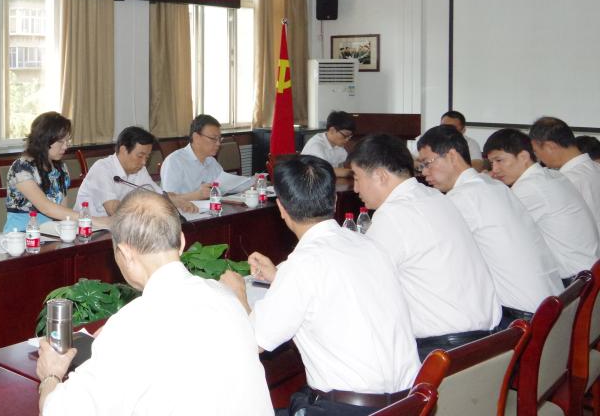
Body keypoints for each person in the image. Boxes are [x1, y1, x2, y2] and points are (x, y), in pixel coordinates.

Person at [35, 190, 273, 416]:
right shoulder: (225, 297)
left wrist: (51, 375)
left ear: (125, 253)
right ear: (182, 242)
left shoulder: (132, 327)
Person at [221, 155, 419, 416]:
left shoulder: (302, 265)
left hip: (349, 410)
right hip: (409, 403)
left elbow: (253, 342)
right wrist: (279, 277)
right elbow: (335, 292)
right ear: (334, 200)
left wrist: (238, 294)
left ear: (281, 207)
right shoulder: (369, 244)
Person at [347, 134, 500, 360]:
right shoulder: (435, 197)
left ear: (380, 175)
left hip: (443, 351)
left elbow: (362, 283)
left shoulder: (394, 214)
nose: (355, 188)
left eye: (357, 177)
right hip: (487, 342)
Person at [417, 126, 561, 323]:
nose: (425, 172)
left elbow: (431, 255)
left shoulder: (463, 197)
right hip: (551, 305)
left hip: (520, 319)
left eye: (427, 163)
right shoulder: (493, 185)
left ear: (452, 156)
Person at [484, 128, 600, 285]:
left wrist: (484, 184)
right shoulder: (551, 175)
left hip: (575, 281)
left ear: (524, 156)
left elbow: (495, 228)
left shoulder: (530, 187)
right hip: (588, 271)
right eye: (492, 163)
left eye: (499, 160)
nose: (495, 170)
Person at [5, 112, 106, 233]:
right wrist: (92, 220)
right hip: (22, 234)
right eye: (60, 142)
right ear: (44, 140)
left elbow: (62, 211)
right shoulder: (21, 168)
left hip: (51, 232)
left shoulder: (61, 168)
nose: (65, 147)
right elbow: (46, 208)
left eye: (67, 141)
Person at [77, 126, 195, 216]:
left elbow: (158, 195)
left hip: (119, 228)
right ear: (123, 150)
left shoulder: (140, 169)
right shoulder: (102, 168)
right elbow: (114, 210)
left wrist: (178, 202)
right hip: (88, 231)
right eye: (140, 156)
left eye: (147, 157)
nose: (144, 162)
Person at [529, 116, 600, 226]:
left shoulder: (564, 180)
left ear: (550, 146)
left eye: (536, 151)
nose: (537, 157)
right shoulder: (596, 167)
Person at [159, 114, 224, 201]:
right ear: (196, 137)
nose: (218, 143)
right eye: (213, 138)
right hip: (182, 209)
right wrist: (196, 195)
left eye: (219, 139)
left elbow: (223, 187)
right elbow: (167, 199)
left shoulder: (212, 161)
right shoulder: (174, 161)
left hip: (208, 208)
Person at [300, 110, 355, 177]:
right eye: (345, 135)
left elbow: (344, 164)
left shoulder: (337, 144)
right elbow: (322, 171)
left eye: (350, 136)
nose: (347, 139)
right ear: (332, 130)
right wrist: (353, 173)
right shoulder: (316, 146)